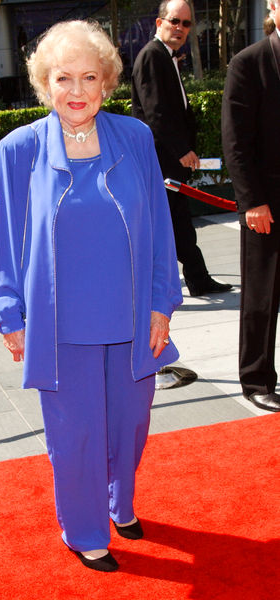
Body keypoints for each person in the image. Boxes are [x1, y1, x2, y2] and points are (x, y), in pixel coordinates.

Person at [0, 20, 182, 572]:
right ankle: (86, 527)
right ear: (45, 84)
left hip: (133, 312)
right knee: (76, 433)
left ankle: (119, 501)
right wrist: (8, 312)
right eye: (63, 78)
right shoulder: (18, 149)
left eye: (89, 77)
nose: (76, 91)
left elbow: (161, 229)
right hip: (60, 320)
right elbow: (10, 238)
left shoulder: (136, 138)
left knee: (130, 424)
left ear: (107, 82)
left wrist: (163, 302)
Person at [131, 0, 232, 297]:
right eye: (175, 21)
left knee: (175, 222)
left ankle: (195, 278)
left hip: (167, 160)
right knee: (176, 223)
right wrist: (181, 150)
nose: (181, 28)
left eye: (187, 24)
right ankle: (196, 279)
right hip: (161, 161)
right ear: (160, 22)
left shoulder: (165, 57)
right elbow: (155, 112)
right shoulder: (152, 56)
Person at [221, 1, 280, 413]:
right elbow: (235, 142)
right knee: (262, 295)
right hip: (267, 204)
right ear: (274, 7)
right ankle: (256, 378)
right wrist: (252, 202)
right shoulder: (248, 63)